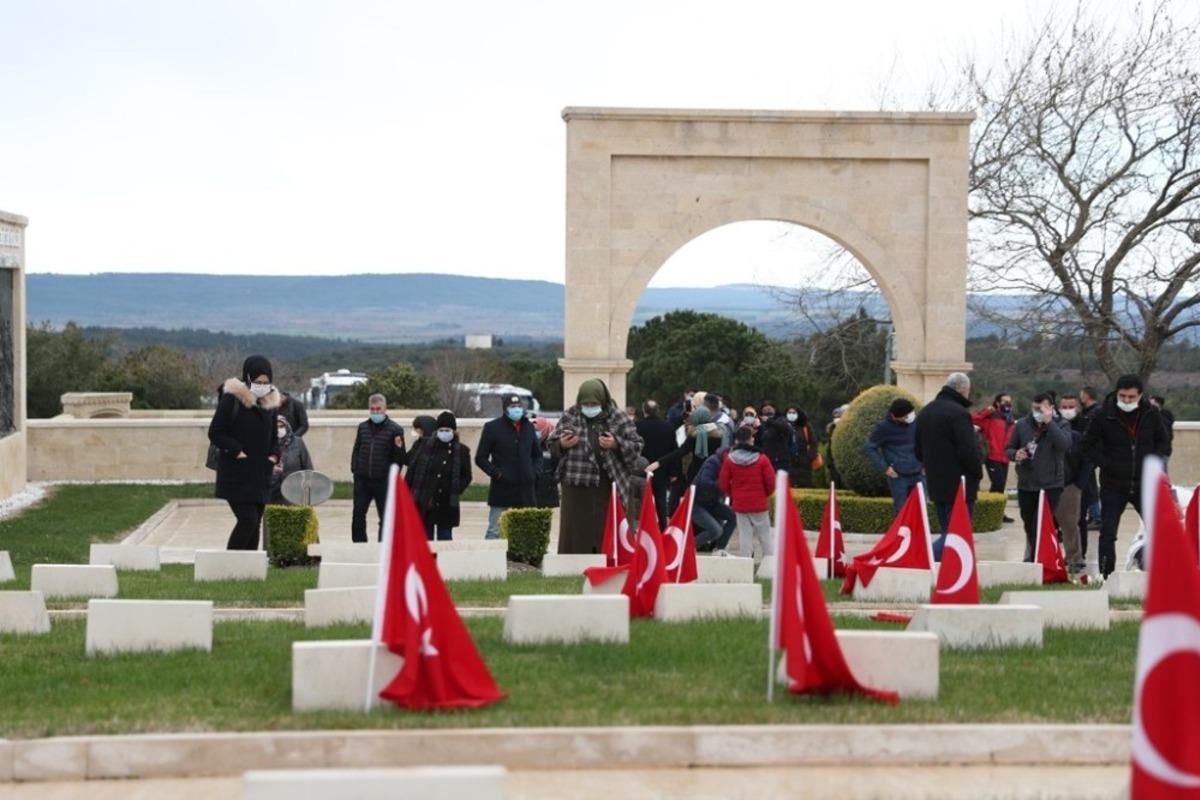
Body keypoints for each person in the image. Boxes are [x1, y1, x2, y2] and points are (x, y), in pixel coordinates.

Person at [1082, 374, 1170, 578]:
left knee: (1159, 531)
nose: (1127, 400)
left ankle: (1162, 573)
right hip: (1113, 484)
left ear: (1140, 395)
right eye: (1122, 396)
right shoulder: (1103, 414)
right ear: (1117, 393)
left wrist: (1152, 463)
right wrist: (1105, 463)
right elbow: (1087, 444)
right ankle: (1106, 577)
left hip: (1144, 485)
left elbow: (1164, 442)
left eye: (1131, 397)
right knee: (1108, 533)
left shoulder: (1151, 414)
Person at [549, 379, 644, 554]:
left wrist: (616, 443)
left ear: (603, 400)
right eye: (585, 404)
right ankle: (574, 563)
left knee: (608, 530)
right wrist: (561, 444)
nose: (589, 407)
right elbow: (551, 444)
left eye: (594, 404)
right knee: (577, 533)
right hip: (576, 489)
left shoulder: (618, 417)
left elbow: (637, 445)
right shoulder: (571, 416)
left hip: (609, 486)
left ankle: (610, 560)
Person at [208, 355, 282, 550]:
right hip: (237, 473)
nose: (262, 386)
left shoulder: (269, 404)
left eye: (266, 382)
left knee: (255, 523)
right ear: (248, 378)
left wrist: (274, 456)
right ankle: (232, 562)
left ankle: (250, 564)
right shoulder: (231, 399)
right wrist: (237, 450)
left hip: (261, 474)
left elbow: (274, 437)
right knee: (247, 520)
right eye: (258, 382)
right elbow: (216, 432)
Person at [914, 372, 984, 556]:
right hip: (959, 485)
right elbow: (967, 450)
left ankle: (941, 567)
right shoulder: (960, 414)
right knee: (957, 536)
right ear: (962, 390)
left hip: (936, 483)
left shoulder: (925, 412)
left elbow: (917, 450)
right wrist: (978, 471)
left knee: (948, 531)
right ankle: (923, 556)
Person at [1006, 393, 1071, 562]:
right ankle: (1036, 555)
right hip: (1026, 483)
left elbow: (1064, 445)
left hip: (1051, 485)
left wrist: (1049, 423)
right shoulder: (1022, 424)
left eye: (1041, 409)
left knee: (1039, 525)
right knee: (1029, 524)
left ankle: (1037, 560)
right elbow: (1009, 448)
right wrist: (1015, 454)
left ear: (1051, 408)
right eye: (1035, 409)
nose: (1037, 412)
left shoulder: (1062, 424)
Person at [475, 394, 542, 539]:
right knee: (495, 531)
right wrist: (497, 473)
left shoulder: (529, 427)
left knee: (527, 533)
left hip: (526, 491)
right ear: (505, 409)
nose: (516, 409)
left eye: (519, 406)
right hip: (502, 490)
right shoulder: (492, 428)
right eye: (512, 406)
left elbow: (537, 455)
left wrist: (534, 472)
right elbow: (480, 458)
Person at [406, 411, 473, 541]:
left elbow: (467, 475)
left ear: (454, 431)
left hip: (447, 503)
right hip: (426, 501)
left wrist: (456, 489)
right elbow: (412, 469)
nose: (444, 433)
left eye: (447, 430)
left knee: (445, 538)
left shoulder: (462, 451)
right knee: (426, 540)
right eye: (441, 430)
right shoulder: (425, 446)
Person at [350, 393, 407, 543]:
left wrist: (392, 476)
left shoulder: (395, 429)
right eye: (372, 409)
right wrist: (355, 469)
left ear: (385, 409)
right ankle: (359, 545)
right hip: (363, 480)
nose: (375, 412)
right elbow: (357, 449)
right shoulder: (362, 427)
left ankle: (383, 545)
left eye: (378, 409)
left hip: (383, 481)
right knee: (358, 514)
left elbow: (400, 458)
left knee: (385, 517)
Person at [718, 425, 776, 559]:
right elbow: (771, 483)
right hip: (759, 503)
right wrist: (764, 494)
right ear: (751, 440)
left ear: (736, 441)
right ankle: (769, 563)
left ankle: (746, 564)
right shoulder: (762, 459)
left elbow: (723, 483)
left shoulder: (730, 460)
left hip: (740, 503)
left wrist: (734, 494)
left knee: (744, 536)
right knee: (765, 535)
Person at [864, 398, 923, 514]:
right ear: (896, 417)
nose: (909, 417)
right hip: (898, 477)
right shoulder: (883, 428)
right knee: (901, 511)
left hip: (918, 474)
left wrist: (925, 463)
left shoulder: (916, 422)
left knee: (920, 510)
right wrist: (885, 468)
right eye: (906, 416)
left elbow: (924, 442)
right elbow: (869, 447)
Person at [1057, 394, 1088, 575]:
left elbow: (1087, 459)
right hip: (1052, 483)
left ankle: (1076, 558)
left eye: (1071, 407)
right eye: (1064, 406)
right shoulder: (1052, 426)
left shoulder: (1085, 427)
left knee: (1074, 523)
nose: (1067, 410)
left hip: (1073, 484)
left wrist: (1079, 484)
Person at [972, 393, 1015, 521]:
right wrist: (987, 411)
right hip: (992, 456)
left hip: (1005, 458)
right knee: (998, 483)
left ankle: (998, 513)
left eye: (1009, 401)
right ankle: (988, 513)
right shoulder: (990, 417)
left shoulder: (1010, 419)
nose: (1007, 404)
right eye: (1004, 401)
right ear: (997, 403)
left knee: (1001, 486)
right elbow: (973, 420)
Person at [636, 399, 677, 530]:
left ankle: (643, 528)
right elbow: (674, 450)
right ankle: (662, 527)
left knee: (641, 500)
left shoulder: (636, 426)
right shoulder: (668, 427)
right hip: (662, 469)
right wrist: (674, 472)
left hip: (641, 469)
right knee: (661, 501)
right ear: (657, 411)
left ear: (644, 410)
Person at [690, 444, 736, 554]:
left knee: (733, 517)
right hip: (697, 503)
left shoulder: (732, 466)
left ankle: (719, 549)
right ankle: (688, 547)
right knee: (716, 530)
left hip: (712, 502)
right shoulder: (713, 462)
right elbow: (705, 482)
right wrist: (724, 483)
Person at [269, 417, 313, 504]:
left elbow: (307, 465)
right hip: (272, 490)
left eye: (282, 426)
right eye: (276, 427)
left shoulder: (297, 442)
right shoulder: (267, 443)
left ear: (287, 427)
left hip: (294, 489)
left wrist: (308, 488)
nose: (279, 430)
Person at [1079, 385, 1103, 528]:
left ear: (1086, 396)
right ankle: (1094, 515)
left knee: (1089, 486)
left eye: (1081, 395)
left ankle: (1096, 517)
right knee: (1088, 485)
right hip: (1090, 454)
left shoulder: (1094, 413)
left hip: (1090, 455)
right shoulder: (1090, 412)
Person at [755, 401, 796, 473]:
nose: (767, 411)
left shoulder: (781, 419)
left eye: (769, 409)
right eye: (764, 410)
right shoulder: (760, 423)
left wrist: (769, 421)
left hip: (780, 460)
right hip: (766, 458)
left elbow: (785, 428)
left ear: (774, 409)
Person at [785, 407, 819, 489]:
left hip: (804, 462)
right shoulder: (783, 426)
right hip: (788, 461)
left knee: (804, 485)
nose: (791, 414)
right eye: (789, 412)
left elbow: (813, 442)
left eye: (794, 413)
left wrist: (810, 456)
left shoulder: (805, 427)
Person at [532, 415, 560, 508]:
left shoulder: (553, 445)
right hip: (530, 493)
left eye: (537, 430)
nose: (534, 433)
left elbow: (559, 467)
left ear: (545, 429)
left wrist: (551, 481)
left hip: (548, 494)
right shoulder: (528, 445)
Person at [1149, 395, 1175, 471]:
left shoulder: (1162, 419)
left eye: (1151, 403)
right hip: (1159, 452)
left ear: (1157, 404)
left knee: (1160, 474)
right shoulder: (1156, 417)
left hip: (1161, 453)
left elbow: (1166, 436)